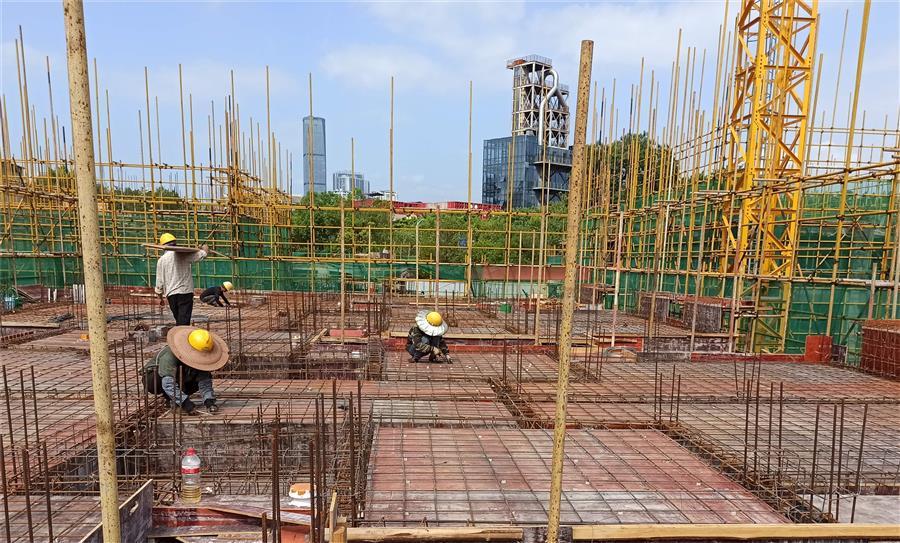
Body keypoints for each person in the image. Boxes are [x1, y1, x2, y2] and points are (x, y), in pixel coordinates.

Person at [143, 327, 229, 415]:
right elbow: (167, 383)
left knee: (200, 372)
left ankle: (177, 399)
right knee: (172, 375)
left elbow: (204, 380)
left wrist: (209, 401)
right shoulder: (169, 356)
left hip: (181, 378)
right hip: (155, 378)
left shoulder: (198, 360)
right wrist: (185, 403)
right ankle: (173, 400)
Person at [154, 233, 208, 325]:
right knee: (183, 321)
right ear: (175, 243)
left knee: (179, 320)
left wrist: (160, 297)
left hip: (171, 294)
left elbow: (159, 282)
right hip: (185, 292)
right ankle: (182, 333)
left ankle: (179, 332)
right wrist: (205, 248)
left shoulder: (161, 260)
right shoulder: (182, 254)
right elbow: (202, 254)